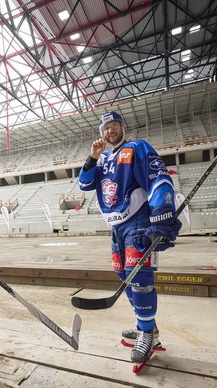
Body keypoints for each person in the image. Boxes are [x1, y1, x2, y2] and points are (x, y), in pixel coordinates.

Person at [78, 111, 182, 365]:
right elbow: (84, 183)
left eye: (114, 126)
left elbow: (158, 176)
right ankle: (145, 325)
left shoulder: (137, 147)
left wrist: (161, 213)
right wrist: (92, 157)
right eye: (106, 128)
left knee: (139, 278)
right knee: (124, 276)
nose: (110, 131)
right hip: (115, 226)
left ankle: (147, 334)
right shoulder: (101, 159)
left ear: (122, 127)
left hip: (137, 220)